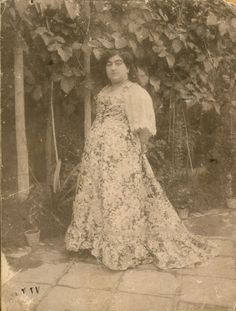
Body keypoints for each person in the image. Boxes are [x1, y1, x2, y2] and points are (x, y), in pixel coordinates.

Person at [65, 50, 218, 271]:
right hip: (98, 156)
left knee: (120, 198)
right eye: (109, 64)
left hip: (122, 156)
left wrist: (136, 149)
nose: (113, 68)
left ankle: (123, 247)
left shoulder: (134, 92)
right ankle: (97, 241)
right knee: (101, 195)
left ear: (128, 68)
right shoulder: (104, 91)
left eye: (119, 63)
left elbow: (144, 128)